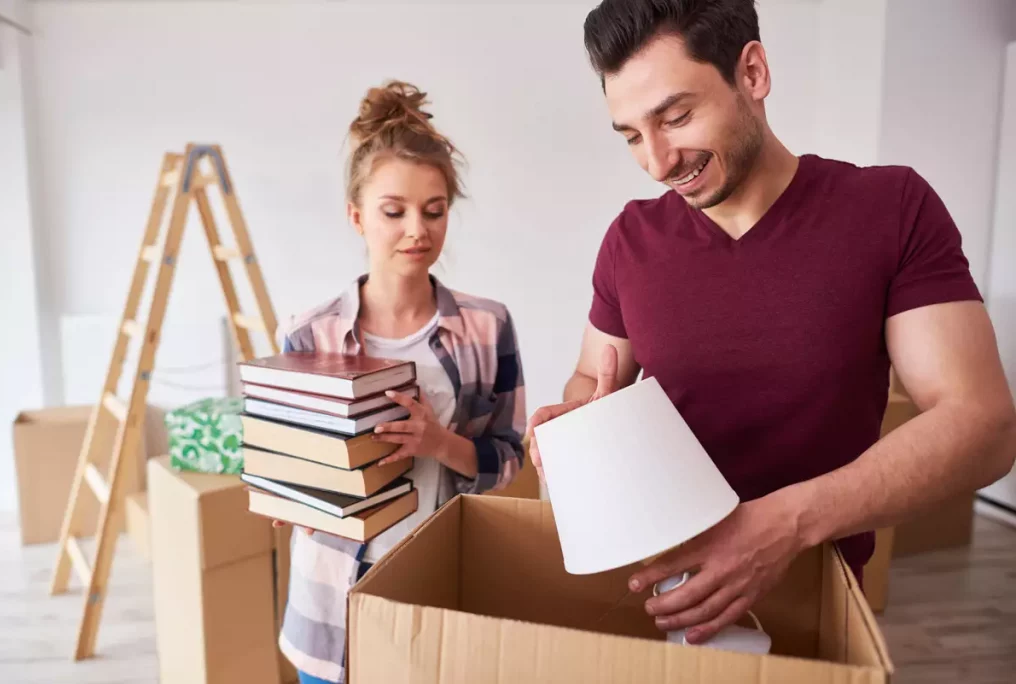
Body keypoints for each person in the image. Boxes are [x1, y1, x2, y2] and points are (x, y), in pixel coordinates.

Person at [528, 0, 1016, 649]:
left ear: (753, 72)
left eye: (676, 117)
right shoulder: (630, 239)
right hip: (660, 611)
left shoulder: (891, 209)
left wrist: (783, 525)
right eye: (631, 134)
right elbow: (596, 372)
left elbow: (984, 426)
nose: (657, 161)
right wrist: (577, 420)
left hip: (817, 613)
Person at [273, 80, 526, 684]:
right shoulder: (309, 335)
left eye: (435, 211)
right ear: (357, 216)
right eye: (395, 211)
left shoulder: (488, 327)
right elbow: (287, 467)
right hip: (330, 611)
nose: (418, 228)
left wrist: (441, 444)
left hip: (437, 595)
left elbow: (511, 457)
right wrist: (286, 493)